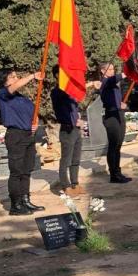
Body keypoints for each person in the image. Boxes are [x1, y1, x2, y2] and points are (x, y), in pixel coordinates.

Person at [0, 67, 46, 215]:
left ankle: (25, 200)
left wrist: (34, 123)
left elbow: (31, 113)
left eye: (16, 76)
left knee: (26, 170)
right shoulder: (2, 95)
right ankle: (15, 205)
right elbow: (14, 87)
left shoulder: (20, 97)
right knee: (16, 171)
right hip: (15, 136)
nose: (16, 79)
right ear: (4, 81)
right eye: (12, 77)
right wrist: (32, 76)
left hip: (28, 135)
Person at [50, 65, 87, 195]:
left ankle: (75, 183)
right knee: (66, 160)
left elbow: (74, 108)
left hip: (76, 129)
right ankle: (65, 185)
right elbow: (61, 110)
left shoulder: (71, 93)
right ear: (56, 76)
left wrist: (79, 119)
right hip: (67, 129)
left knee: (76, 159)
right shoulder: (57, 91)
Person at [99, 62, 131, 184]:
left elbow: (117, 100)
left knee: (118, 145)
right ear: (103, 71)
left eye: (113, 69)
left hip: (119, 114)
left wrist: (123, 105)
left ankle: (118, 172)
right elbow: (114, 78)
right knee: (113, 145)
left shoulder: (114, 85)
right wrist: (127, 73)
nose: (112, 71)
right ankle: (113, 174)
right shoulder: (104, 82)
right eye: (109, 69)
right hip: (111, 116)